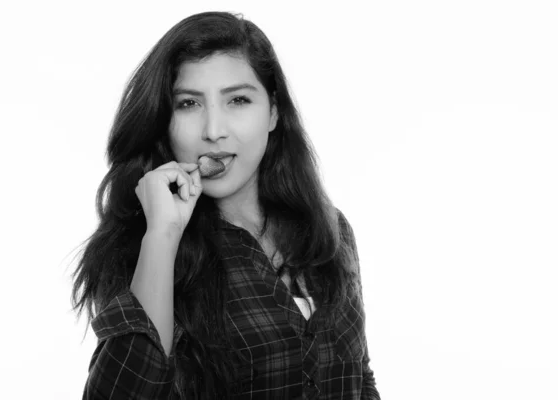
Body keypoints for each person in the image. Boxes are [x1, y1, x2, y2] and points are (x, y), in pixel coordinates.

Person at [71, 11, 380, 399]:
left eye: (237, 100)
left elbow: (360, 378)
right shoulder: (141, 247)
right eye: (188, 104)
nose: (214, 130)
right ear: (163, 120)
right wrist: (163, 237)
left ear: (273, 111)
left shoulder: (330, 229)